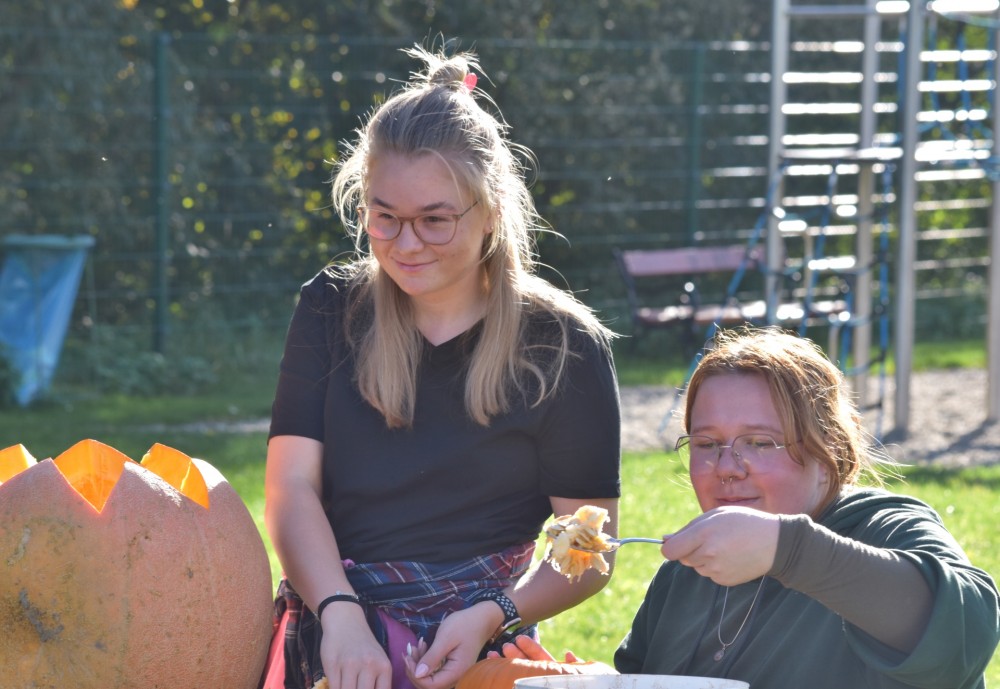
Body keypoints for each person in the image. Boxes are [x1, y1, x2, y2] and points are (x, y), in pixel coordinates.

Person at [260, 42, 622, 689]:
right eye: (384, 217)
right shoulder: (329, 308)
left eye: (434, 220)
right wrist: (341, 614)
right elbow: (291, 490)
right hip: (333, 633)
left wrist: (494, 612)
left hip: (478, 648)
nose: (406, 244)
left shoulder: (564, 344)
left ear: (489, 211)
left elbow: (589, 547)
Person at [492, 327, 1000, 689]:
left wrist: (787, 549)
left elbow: (966, 633)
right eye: (707, 444)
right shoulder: (686, 574)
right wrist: (602, 683)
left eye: (759, 442)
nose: (727, 467)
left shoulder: (883, 527)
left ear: (829, 451)